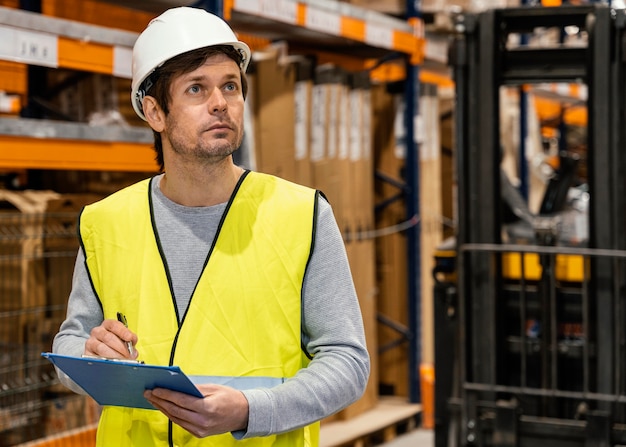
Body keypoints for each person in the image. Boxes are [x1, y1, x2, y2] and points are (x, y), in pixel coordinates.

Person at [52, 6, 370, 447]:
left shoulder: (302, 214)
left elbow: (347, 361)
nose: (220, 102)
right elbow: (69, 343)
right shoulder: (106, 222)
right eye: (196, 89)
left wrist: (250, 410)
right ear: (154, 112)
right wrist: (91, 354)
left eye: (230, 86)